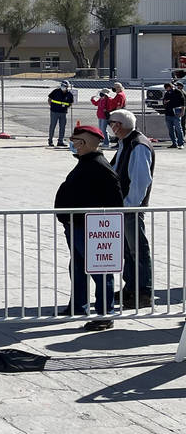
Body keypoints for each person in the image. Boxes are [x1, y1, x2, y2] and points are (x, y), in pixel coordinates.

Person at [54, 125, 122, 330]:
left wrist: (101, 223)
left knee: (100, 270)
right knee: (77, 267)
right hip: (76, 225)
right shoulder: (86, 163)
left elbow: (115, 201)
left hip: (89, 227)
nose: (74, 146)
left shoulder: (99, 166)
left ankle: (105, 313)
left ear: (89, 143)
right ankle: (78, 305)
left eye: (77, 142)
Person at [108, 109, 155, 309]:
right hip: (125, 207)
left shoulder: (137, 145)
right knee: (129, 250)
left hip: (130, 208)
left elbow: (141, 180)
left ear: (119, 125)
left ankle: (143, 291)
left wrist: (129, 206)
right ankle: (131, 288)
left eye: (111, 123)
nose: (110, 126)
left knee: (138, 250)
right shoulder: (127, 142)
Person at [47, 81, 74, 147]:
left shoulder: (69, 94)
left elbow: (70, 103)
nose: (63, 87)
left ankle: (60, 141)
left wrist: (65, 107)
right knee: (52, 126)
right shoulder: (56, 91)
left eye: (64, 86)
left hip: (63, 113)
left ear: (67, 87)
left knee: (62, 127)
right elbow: (49, 99)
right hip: (54, 112)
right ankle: (50, 140)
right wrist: (52, 107)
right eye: (62, 85)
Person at [160, 82, 185, 148]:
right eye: (166, 88)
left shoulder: (178, 92)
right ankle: (174, 143)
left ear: (171, 87)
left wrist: (182, 111)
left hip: (176, 111)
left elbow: (183, 102)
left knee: (178, 128)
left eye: (168, 88)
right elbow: (164, 101)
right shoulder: (167, 93)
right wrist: (165, 102)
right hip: (168, 112)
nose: (167, 89)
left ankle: (181, 143)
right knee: (170, 129)